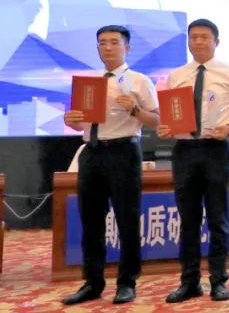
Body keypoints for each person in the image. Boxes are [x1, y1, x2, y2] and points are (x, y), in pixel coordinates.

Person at [158, 19, 229, 303]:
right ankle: (189, 282)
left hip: (216, 149)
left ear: (216, 41)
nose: (198, 42)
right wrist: (166, 128)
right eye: (193, 37)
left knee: (217, 218)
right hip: (185, 150)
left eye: (204, 37)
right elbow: (171, 115)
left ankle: (218, 281)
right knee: (188, 220)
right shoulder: (177, 75)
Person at [61, 25, 160, 306]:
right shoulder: (88, 83)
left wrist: (135, 110)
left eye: (114, 42)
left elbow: (157, 120)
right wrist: (70, 120)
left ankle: (127, 282)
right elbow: (80, 124)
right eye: (102, 43)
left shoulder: (140, 81)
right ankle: (92, 282)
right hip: (91, 152)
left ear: (127, 47)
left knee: (127, 219)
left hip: (123, 151)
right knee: (91, 220)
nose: (107, 47)